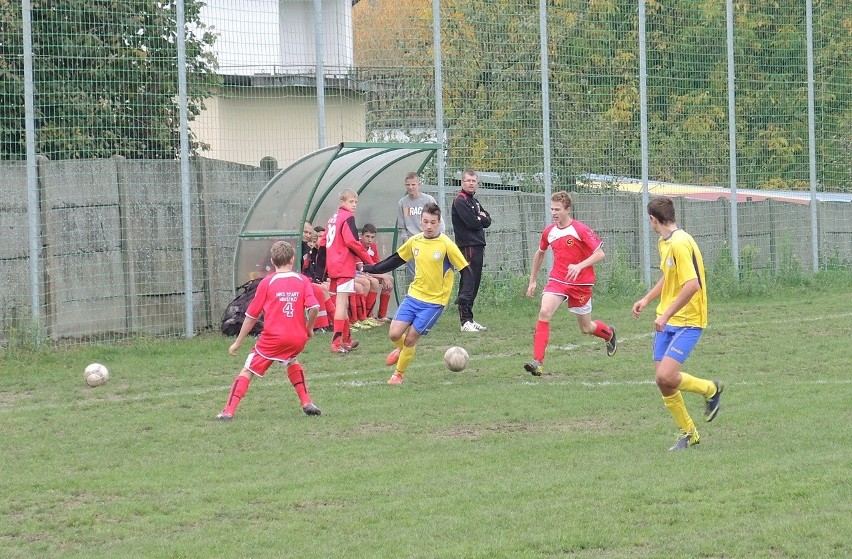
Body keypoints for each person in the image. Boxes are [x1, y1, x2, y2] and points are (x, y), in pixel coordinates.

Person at [632, 196, 723, 451]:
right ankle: (688, 433)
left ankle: (710, 389)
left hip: (689, 320)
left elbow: (692, 285)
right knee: (663, 381)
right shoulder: (665, 242)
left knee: (666, 375)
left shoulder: (681, 244)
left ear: (653, 219)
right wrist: (647, 299)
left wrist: (666, 315)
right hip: (668, 318)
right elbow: (669, 277)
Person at [361, 203, 471, 385]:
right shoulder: (415, 241)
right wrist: (372, 268)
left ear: (439, 222)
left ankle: (398, 374)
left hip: (435, 301)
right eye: (426, 222)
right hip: (414, 295)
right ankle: (402, 349)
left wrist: (464, 296)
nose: (429, 226)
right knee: (394, 334)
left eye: (433, 222)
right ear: (421, 221)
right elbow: (395, 259)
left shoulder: (446, 245)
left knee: (411, 338)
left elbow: (466, 271)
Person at [217, 241, 322, 420]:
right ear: (292, 259)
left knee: (247, 370)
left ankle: (228, 411)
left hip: (273, 338)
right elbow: (314, 308)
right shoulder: (303, 280)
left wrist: (238, 342)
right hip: (297, 337)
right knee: (292, 360)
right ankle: (306, 402)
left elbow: (251, 316)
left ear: (273, 261)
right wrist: (309, 329)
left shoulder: (267, 282)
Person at [524, 191, 618, 376]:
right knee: (544, 312)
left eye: (557, 209)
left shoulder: (580, 229)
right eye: (552, 209)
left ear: (567, 210)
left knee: (585, 328)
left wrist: (579, 266)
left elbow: (600, 254)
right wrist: (532, 280)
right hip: (558, 280)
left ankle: (609, 333)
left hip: (581, 284)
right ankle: (537, 362)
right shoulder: (549, 232)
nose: (554, 213)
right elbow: (540, 253)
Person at [325, 188, 374, 353]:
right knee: (341, 304)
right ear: (342, 202)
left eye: (355, 202)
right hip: (344, 266)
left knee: (341, 304)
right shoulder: (348, 217)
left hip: (332, 266)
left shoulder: (333, 218)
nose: (354, 205)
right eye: (351, 202)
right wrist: (368, 261)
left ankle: (347, 340)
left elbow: (324, 241)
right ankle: (336, 343)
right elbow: (352, 242)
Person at [451, 169, 491, 332]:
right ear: (462, 182)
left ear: (477, 184)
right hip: (467, 246)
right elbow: (473, 223)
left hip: (477, 245)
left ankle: (470, 318)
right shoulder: (460, 200)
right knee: (468, 280)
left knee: (474, 282)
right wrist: (479, 218)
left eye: (474, 181)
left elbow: (487, 220)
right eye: (468, 180)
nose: (471, 183)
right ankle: (464, 321)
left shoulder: (473, 201)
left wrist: (480, 217)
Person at [397, 172, 444, 281]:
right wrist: (407, 241)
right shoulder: (402, 203)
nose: (411, 187)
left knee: (431, 275)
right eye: (408, 185)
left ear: (419, 184)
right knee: (414, 278)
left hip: (429, 242)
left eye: (413, 184)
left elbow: (439, 222)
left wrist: (437, 241)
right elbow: (401, 227)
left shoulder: (428, 200)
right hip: (413, 244)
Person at [360, 223, 393, 321]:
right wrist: (383, 277)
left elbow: (377, 266)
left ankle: (382, 315)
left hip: (369, 273)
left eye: (372, 237)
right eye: (367, 236)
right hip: (359, 273)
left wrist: (384, 276)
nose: (369, 240)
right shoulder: (357, 245)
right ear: (362, 236)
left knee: (390, 279)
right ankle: (368, 315)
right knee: (374, 281)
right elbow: (360, 269)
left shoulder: (373, 247)